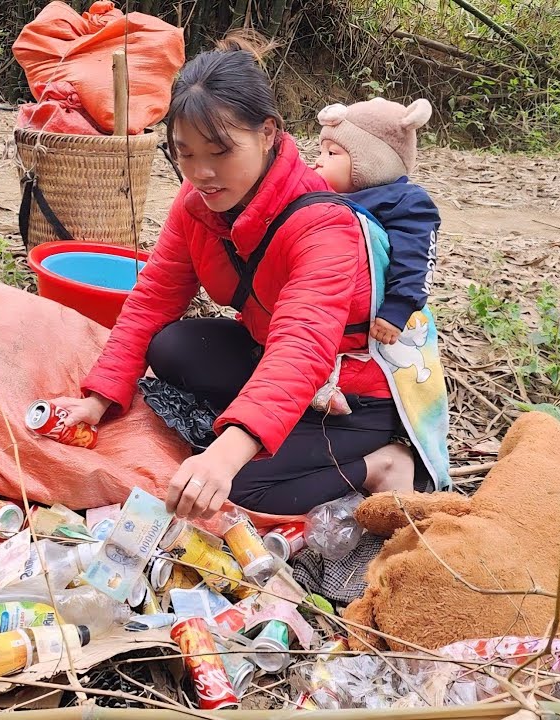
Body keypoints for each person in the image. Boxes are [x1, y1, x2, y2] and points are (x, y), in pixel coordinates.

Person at [49, 36, 415, 521]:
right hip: (274, 359)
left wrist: (227, 453)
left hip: (353, 391)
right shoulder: (196, 203)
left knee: (241, 486)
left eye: (220, 152)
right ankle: (266, 423)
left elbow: (302, 346)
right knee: (173, 345)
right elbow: (154, 298)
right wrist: (99, 398)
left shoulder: (324, 225)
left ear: (268, 133)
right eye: (185, 154)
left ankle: (382, 464)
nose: (202, 173)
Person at [312, 97, 441, 346]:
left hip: (376, 323)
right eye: (320, 151)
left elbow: (417, 259)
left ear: (372, 162)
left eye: (331, 153)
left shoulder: (406, 202)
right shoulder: (324, 195)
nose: (319, 160)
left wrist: (397, 310)